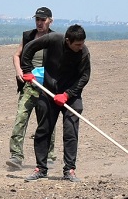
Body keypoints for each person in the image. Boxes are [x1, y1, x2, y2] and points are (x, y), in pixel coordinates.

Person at [20, 24, 90, 182]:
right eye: (77, 44)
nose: (81, 47)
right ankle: (41, 169)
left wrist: (67, 94)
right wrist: (27, 70)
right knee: (44, 130)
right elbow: (29, 48)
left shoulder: (84, 53)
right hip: (48, 91)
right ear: (68, 40)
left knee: (71, 131)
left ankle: (69, 170)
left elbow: (84, 77)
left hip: (71, 95)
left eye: (82, 43)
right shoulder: (53, 39)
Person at [6, 6, 56, 170]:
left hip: (47, 87)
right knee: (21, 118)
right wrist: (19, 71)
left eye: (43, 20)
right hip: (29, 85)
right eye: (37, 20)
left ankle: (49, 156)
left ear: (50, 21)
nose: (39, 23)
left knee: (47, 121)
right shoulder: (28, 36)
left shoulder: (55, 39)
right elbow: (16, 55)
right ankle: (16, 156)